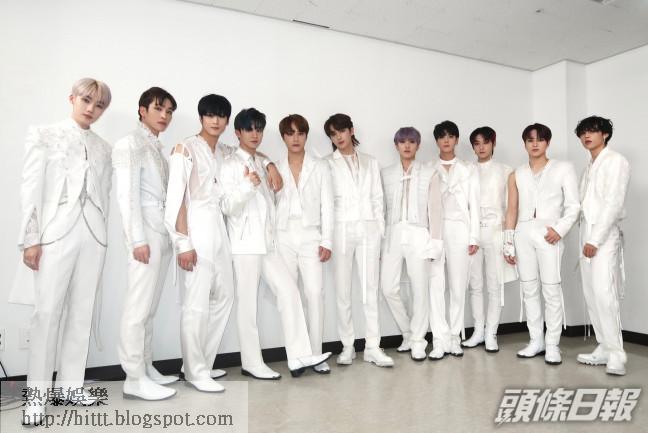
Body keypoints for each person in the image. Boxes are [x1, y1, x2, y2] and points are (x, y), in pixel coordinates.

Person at [10, 78, 112, 425]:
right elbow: (30, 187)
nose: (91, 109)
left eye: (99, 105)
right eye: (86, 100)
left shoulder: (103, 147)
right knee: (47, 314)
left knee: (82, 313)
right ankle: (36, 398)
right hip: (55, 233)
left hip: (93, 235)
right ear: (72, 98)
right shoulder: (45, 134)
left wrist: (103, 234)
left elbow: (104, 193)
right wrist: (31, 238)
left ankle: (71, 387)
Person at [220, 108, 331, 380]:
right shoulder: (230, 165)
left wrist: (268, 165)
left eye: (258, 129)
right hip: (245, 245)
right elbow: (227, 207)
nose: (255, 134)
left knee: (290, 292)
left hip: (268, 244)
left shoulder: (262, 161)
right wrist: (247, 186)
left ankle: (299, 356)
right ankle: (251, 362)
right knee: (248, 306)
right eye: (249, 129)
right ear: (238, 133)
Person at [164, 94, 237, 392]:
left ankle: (200, 364)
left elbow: (250, 152)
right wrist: (183, 243)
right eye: (210, 115)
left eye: (221, 116)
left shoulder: (224, 151)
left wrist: (269, 164)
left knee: (225, 295)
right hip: (196, 224)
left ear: (227, 121)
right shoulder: (185, 148)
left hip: (218, 225)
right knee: (196, 304)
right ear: (201, 118)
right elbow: (176, 198)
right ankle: (195, 372)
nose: (215, 121)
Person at [113, 87, 178, 400]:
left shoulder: (156, 147)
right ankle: (133, 377)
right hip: (144, 236)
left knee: (149, 308)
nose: (164, 116)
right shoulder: (130, 143)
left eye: (169, 111)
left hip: (161, 234)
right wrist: (136, 240)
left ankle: (146, 366)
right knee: (137, 309)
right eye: (158, 109)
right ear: (142, 110)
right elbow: (127, 195)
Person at [504, 123, 579, 365]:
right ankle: (535, 340)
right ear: (525, 143)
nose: (535, 144)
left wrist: (559, 229)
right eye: (530, 140)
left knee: (551, 289)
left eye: (540, 139)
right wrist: (508, 242)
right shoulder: (516, 174)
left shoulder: (563, 168)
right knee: (529, 289)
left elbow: (574, 205)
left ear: (548, 142)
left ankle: (552, 344)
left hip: (549, 233)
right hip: (523, 233)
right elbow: (512, 209)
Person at [324, 113, 394, 367]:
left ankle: (373, 347)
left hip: (368, 230)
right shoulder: (326, 164)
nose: (338, 137)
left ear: (351, 130)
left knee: (370, 290)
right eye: (333, 134)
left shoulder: (370, 161)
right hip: (341, 230)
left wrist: (380, 233)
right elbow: (326, 203)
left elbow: (378, 199)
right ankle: (347, 346)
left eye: (341, 131)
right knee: (343, 291)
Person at [275, 114, 334, 374]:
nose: (295, 138)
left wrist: (327, 240)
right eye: (290, 133)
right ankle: (296, 356)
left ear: (306, 136)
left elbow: (328, 205)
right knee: (289, 297)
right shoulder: (275, 166)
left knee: (314, 294)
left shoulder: (320, 166)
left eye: (300, 133)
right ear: (283, 137)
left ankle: (316, 355)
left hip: (311, 235)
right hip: (283, 235)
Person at [380, 127, 444, 361]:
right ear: (396, 145)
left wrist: (435, 242)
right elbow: (381, 208)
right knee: (388, 287)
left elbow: (435, 209)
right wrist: (379, 240)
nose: (407, 146)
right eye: (402, 142)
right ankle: (408, 332)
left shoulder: (430, 172)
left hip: (419, 233)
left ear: (418, 145)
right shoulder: (386, 174)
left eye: (411, 142)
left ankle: (418, 340)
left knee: (419, 288)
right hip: (393, 233)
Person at [574, 115, 630, 375]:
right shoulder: (589, 166)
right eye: (583, 132)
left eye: (593, 131)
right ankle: (604, 346)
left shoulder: (616, 161)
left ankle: (617, 354)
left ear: (605, 134)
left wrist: (595, 240)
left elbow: (613, 202)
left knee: (605, 293)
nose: (587, 136)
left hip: (603, 235)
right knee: (591, 293)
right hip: (586, 231)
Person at [463, 126, 516, 353]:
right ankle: (477, 331)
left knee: (495, 285)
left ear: (493, 143)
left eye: (485, 142)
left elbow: (511, 207)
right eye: (476, 143)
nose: (481, 147)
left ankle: (491, 333)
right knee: (475, 284)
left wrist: (508, 239)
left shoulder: (506, 171)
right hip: (472, 233)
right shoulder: (466, 170)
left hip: (496, 231)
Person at [429, 120, 480, 358]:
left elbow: (474, 204)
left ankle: (454, 337)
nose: (446, 140)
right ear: (437, 141)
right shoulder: (428, 168)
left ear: (457, 140)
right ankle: (439, 340)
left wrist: (474, 236)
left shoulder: (468, 169)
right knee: (435, 286)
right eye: (442, 137)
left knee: (458, 286)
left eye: (450, 136)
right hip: (435, 231)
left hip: (460, 229)